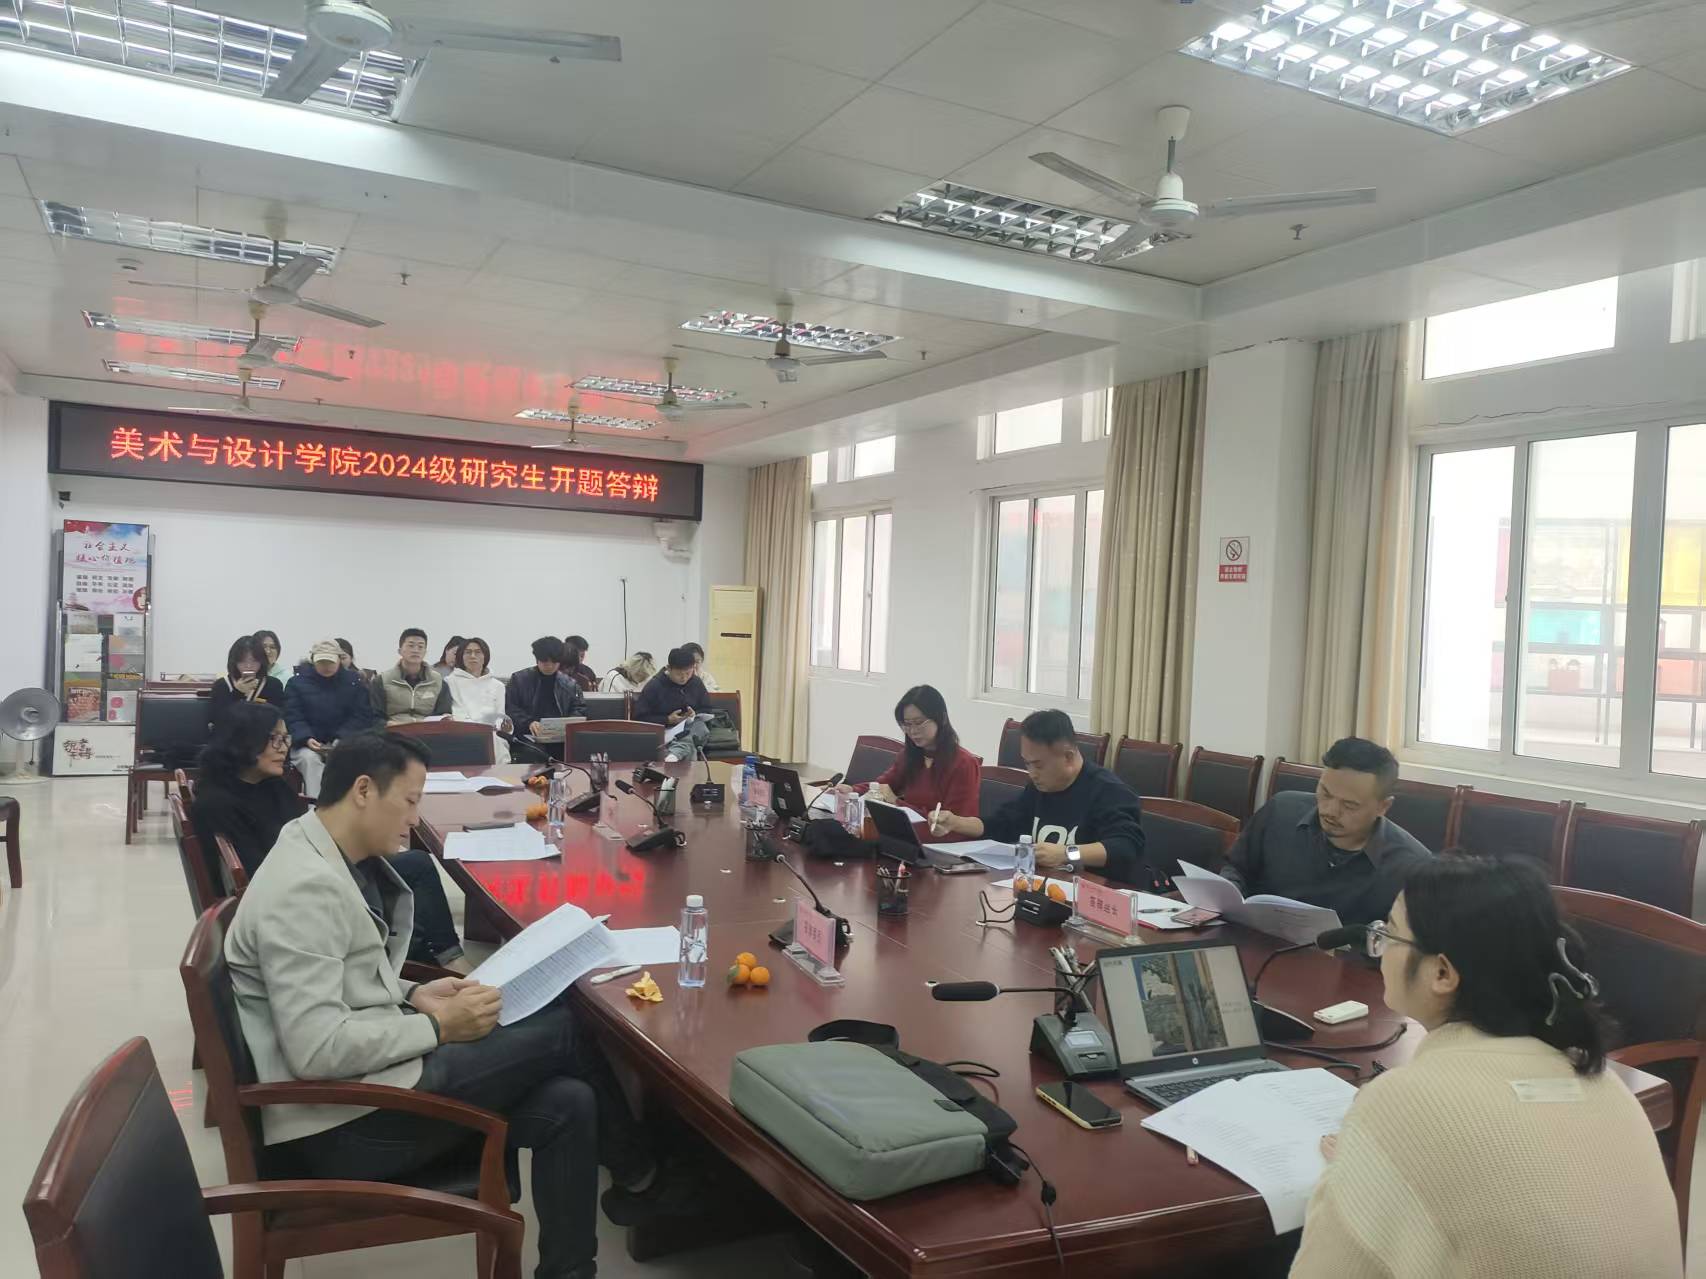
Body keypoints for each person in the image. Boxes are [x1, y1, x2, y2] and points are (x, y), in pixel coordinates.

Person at [225, 734, 692, 1279]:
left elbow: (339, 974)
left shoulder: (313, 846)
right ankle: (645, 1178)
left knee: (570, 1100)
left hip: (363, 1087)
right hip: (344, 1127)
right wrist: (437, 1026)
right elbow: (316, 1050)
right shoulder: (303, 890)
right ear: (363, 790)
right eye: (409, 801)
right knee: (565, 1028)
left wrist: (411, 993)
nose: (414, 818)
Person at [1290, 855, 1681, 1277]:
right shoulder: (1606, 1085)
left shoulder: (1403, 1102)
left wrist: (1353, 1172)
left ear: (1442, 973)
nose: (1379, 948)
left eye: (1390, 934)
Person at [192, 704, 462, 963]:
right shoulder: (216, 804)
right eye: (274, 739)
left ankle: (434, 954)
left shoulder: (271, 784)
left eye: (285, 739)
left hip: (308, 865)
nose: (283, 748)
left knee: (403, 865)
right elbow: (256, 873)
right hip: (290, 894)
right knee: (410, 867)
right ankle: (431, 958)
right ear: (243, 739)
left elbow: (302, 827)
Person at [1222, 737, 1431, 928]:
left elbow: (1409, 946)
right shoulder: (1281, 811)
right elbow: (1237, 868)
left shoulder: (1412, 868)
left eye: (1349, 805)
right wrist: (1230, 896)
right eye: (1325, 793)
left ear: (1383, 807)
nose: (1330, 811)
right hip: (1258, 943)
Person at [931, 709, 1151, 886]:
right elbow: (1002, 824)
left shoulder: (1109, 791)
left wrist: (1067, 854)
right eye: (1027, 763)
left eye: (1038, 765)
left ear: (1068, 757)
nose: (1031, 773)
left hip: (1096, 897)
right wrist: (956, 823)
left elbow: (1125, 848)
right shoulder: (1039, 788)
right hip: (1045, 890)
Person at [846, 685, 978, 824]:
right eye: (907, 724)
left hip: (936, 835)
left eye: (919, 723)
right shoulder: (910, 755)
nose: (913, 731)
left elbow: (951, 824)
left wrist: (897, 803)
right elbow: (883, 786)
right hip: (906, 830)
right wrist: (852, 790)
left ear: (942, 718)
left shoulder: (963, 763)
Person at [283, 638, 375, 798]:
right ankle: (318, 804)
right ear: (313, 660)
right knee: (309, 760)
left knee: (348, 760)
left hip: (344, 742)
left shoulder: (354, 682)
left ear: (339, 659)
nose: (326, 666)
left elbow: (361, 715)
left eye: (330, 662)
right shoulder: (296, 683)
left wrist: (341, 739)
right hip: (306, 744)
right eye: (321, 662)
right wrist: (306, 738)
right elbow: (293, 716)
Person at [505, 636, 586, 738]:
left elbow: (579, 709)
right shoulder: (519, 680)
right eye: (545, 662)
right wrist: (528, 722)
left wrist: (568, 724)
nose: (550, 666)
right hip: (525, 736)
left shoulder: (570, 685)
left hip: (560, 737)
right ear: (537, 659)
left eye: (554, 662)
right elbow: (510, 708)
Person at [371, 627, 453, 725]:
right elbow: (375, 717)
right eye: (411, 646)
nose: (416, 650)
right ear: (400, 651)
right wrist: (389, 724)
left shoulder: (438, 682)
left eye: (420, 647)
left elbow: (443, 714)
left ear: (425, 652)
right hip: (394, 729)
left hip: (427, 730)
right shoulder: (382, 680)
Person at [207, 635, 285, 728]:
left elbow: (276, 718)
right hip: (230, 736)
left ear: (262, 661)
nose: (248, 666)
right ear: (234, 662)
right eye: (242, 661)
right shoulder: (222, 685)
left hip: (262, 735)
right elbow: (220, 721)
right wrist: (237, 693)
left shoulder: (273, 684)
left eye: (254, 661)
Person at [447, 636, 510, 730]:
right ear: (461, 656)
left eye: (478, 652)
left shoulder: (498, 686)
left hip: (491, 733)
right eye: (468, 652)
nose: (473, 656)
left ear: (485, 656)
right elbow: (454, 714)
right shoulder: (449, 682)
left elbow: (500, 717)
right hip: (460, 731)